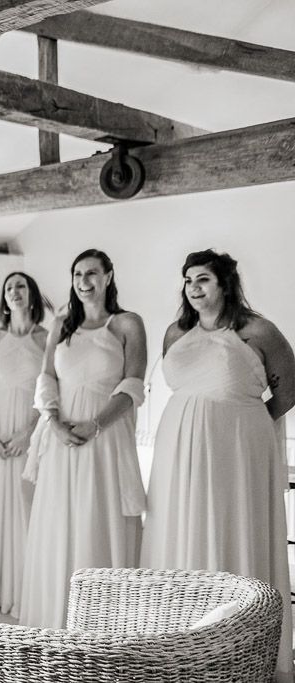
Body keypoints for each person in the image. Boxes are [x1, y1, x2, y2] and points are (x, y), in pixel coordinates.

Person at [140, 249, 295, 681]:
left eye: (203, 278)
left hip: (237, 445)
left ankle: (239, 645)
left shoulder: (258, 331)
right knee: (178, 527)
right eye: (188, 279)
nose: (194, 287)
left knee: (232, 524)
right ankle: (175, 641)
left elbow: (289, 386)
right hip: (177, 448)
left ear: (225, 284)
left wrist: (250, 423)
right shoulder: (175, 333)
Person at [18, 249, 147, 629]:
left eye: (92, 273)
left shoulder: (127, 323)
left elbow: (133, 385)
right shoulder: (62, 324)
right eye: (77, 274)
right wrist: (55, 423)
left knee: (99, 518)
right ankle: (56, 616)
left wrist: (96, 425)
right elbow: (45, 380)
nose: (83, 281)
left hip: (105, 436)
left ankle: (103, 623)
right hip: (61, 438)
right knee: (60, 520)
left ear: (108, 275)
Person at [0, 272, 48, 617]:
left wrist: (28, 432)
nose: (14, 292)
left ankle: (24, 591)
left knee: (24, 506)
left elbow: (48, 389)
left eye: (21, 286)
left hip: (28, 427)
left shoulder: (47, 337)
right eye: (8, 287)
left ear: (31, 295)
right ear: (4, 298)